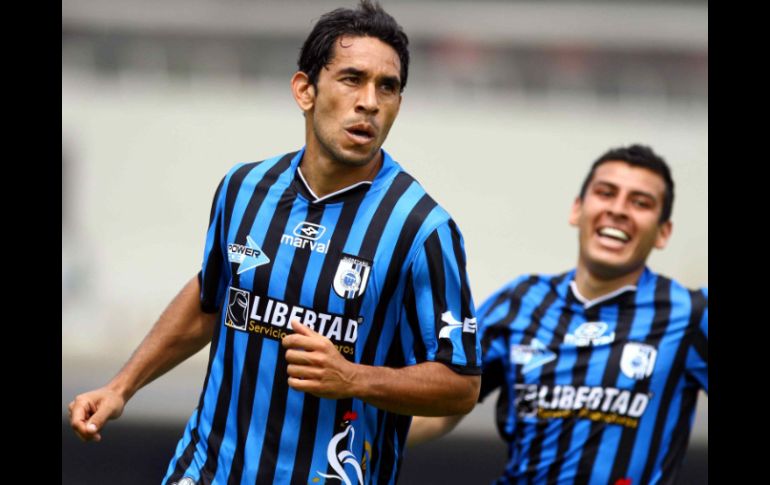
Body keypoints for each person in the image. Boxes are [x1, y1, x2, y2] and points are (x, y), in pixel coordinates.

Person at [68, 2, 481, 484]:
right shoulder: (242, 189)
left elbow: (460, 386)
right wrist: (122, 387)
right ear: (305, 90)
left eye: (386, 87)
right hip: (209, 469)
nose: (369, 101)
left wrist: (354, 379)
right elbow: (212, 296)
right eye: (352, 79)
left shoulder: (421, 229)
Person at [408, 144, 708, 485]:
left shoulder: (691, 315)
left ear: (663, 232)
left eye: (640, 202)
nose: (619, 210)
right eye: (606, 193)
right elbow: (443, 407)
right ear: (577, 210)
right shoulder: (518, 303)